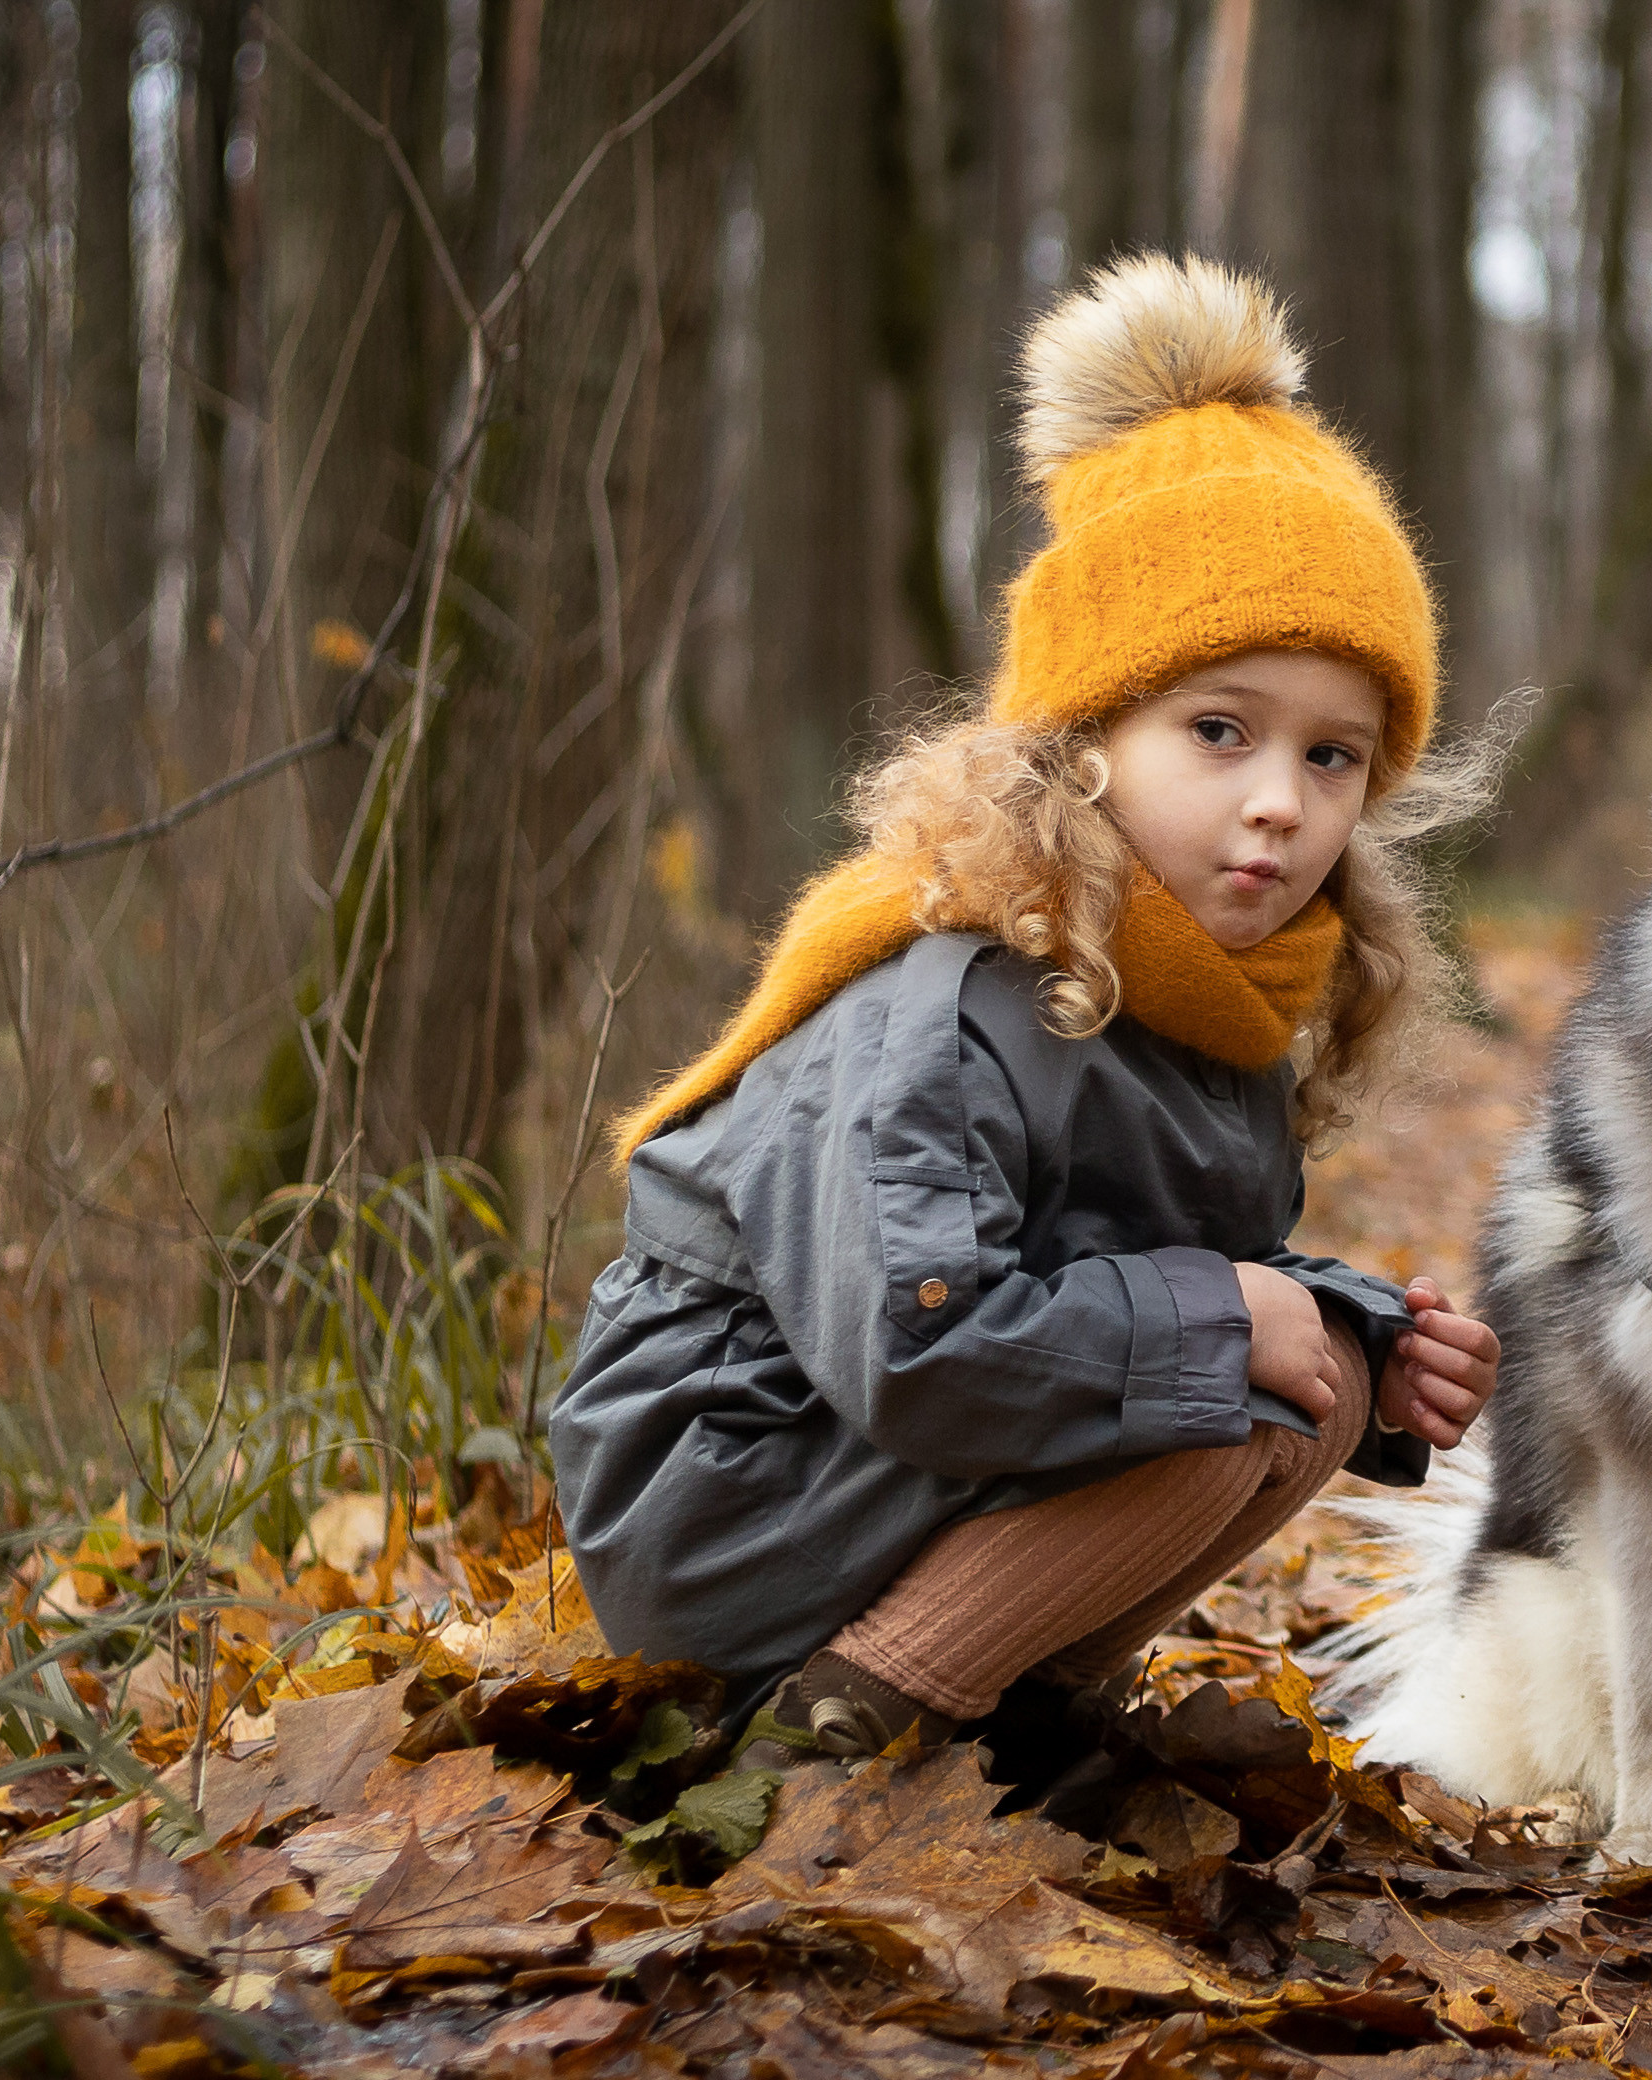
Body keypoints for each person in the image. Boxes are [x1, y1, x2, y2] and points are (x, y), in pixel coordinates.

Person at [547, 254, 1502, 1776]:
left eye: (1334, 758)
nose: (1278, 805)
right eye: (1219, 730)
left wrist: (1374, 1344)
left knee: (1302, 1370)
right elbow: (918, 1348)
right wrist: (1227, 1316)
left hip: (871, 1463)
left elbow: (1140, 1278)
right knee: (1225, 1385)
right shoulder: (947, 997)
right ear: (1085, 738)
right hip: (732, 1492)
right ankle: (828, 1744)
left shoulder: (1204, 994)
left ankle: (999, 1705)